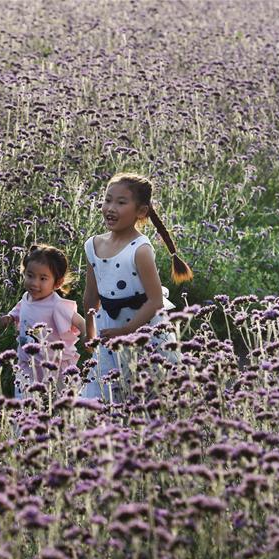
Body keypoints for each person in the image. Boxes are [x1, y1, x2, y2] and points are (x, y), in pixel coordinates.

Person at [82, 172, 193, 401]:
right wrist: (89, 333)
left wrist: (125, 331)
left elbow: (154, 301)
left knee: (146, 394)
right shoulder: (93, 246)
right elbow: (91, 296)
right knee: (103, 394)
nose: (111, 208)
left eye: (121, 203)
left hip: (142, 332)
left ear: (141, 212)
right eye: (108, 200)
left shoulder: (140, 249)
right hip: (108, 331)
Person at [0, 244, 85, 398]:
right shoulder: (26, 297)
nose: (34, 283)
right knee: (25, 402)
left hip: (55, 367)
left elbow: (80, 322)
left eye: (43, 278)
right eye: (30, 275)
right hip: (27, 364)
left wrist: (88, 337)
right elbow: (20, 308)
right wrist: (10, 317)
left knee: (62, 402)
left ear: (57, 283)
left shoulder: (56, 305)